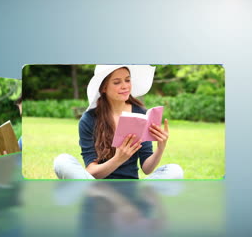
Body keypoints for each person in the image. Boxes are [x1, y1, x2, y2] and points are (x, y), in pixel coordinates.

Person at [54, 65, 183, 179]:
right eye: (116, 82)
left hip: (131, 187)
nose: (125, 86)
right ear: (104, 88)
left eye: (127, 80)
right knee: (62, 161)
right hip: (99, 189)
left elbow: (147, 169)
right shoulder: (89, 119)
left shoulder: (141, 114)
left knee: (174, 170)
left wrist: (160, 148)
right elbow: (91, 172)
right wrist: (118, 159)